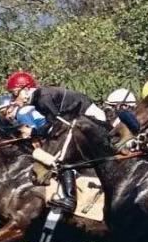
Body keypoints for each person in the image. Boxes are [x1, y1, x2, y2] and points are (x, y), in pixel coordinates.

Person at [15, 81, 105, 212]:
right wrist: (33, 132)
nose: (15, 98)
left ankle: (70, 199)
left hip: (89, 119)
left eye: (15, 93)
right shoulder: (40, 98)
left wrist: (33, 132)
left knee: (60, 156)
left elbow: (58, 124)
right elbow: (53, 122)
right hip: (83, 118)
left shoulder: (42, 99)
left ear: (27, 88)